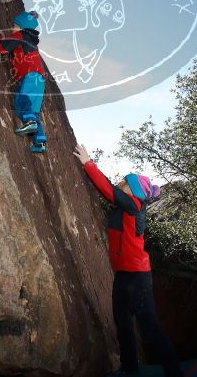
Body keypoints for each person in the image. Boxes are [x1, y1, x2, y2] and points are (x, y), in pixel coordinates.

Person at [73, 144, 184, 377]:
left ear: (134, 191)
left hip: (137, 277)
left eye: (125, 182)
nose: (121, 183)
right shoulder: (127, 207)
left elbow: (109, 191)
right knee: (122, 322)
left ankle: (175, 373)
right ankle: (129, 368)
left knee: (150, 328)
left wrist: (87, 163)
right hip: (124, 275)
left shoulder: (134, 205)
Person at [0, 10, 47, 154]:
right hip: (39, 79)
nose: (12, 28)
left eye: (15, 25)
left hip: (30, 75)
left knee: (21, 101)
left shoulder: (21, 35)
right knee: (33, 110)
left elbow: (3, 49)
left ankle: (30, 123)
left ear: (22, 27)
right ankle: (40, 142)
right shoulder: (29, 39)